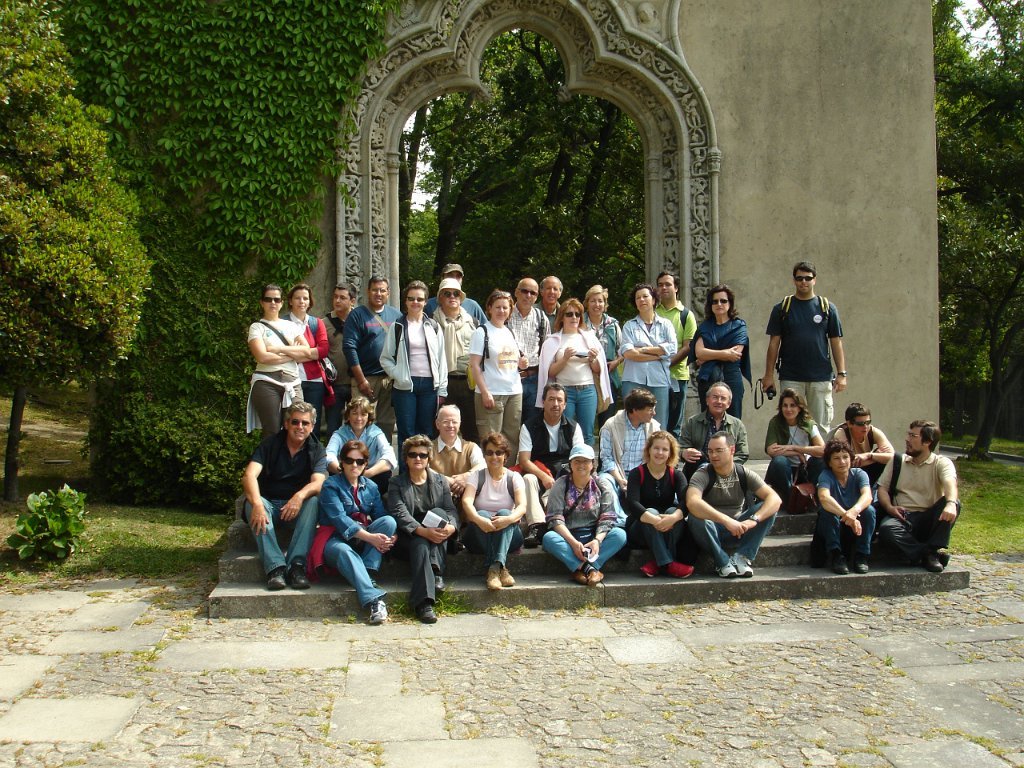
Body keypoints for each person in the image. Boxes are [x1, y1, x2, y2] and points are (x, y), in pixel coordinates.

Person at [240, 402, 325, 590]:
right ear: (286, 424)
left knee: (313, 501)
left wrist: (299, 496)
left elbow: (319, 482)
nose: (300, 427)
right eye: (295, 422)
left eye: (305, 423)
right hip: (269, 506)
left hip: (296, 510)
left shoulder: (317, 449)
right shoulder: (270, 444)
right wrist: (258, 504)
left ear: (312, 426)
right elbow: (249, 476)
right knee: (252, 503)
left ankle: (296, 566)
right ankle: (275, 568)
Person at [314, 439, 397, 624]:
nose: (354, 465)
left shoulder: (371, 487)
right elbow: (340, 520)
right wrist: (371, 538)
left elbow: (381, 516)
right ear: (341, 462)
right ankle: (374, 599)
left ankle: (366, 571)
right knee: (345, 551)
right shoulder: (330, 485)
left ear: (366, 464)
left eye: (359, 461)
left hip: (362, 537)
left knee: (389, 522)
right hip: (334, 538)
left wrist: (393, 536)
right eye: (349, 460)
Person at [762, 261, 847, 431]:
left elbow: (836, 342)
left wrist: (841, 374)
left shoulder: (827, 308)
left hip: (820, 377)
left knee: (821, 427)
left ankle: (819, 451)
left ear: (814, 279)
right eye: (799, 278)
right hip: (791, 377)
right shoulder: (782, 308)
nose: (803, 282)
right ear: (794, 280)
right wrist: (768, 375)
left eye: (808, 278)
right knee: (791, 425)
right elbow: (774, 343)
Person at [686, 432, 781, 578]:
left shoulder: (743, 473)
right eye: (710, 451)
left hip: (739, 529)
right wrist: (726, 521)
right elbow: (692, 502)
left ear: (732, 450)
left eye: (719, 450)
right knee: (695, 518)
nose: (713, 455)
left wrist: (753, 520)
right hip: (712, 529)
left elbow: (775, 499)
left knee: (769, 508)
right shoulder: (702, 474)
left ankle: (743, 557)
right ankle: (722, 562)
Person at [388, 435, 460, 624]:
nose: (418, 458)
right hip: (408, 536)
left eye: (422, 455)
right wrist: (422, 531)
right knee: (420, 542)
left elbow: (450, 510)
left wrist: (452, 527)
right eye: (413, 455)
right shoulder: (396, 483)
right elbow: (400, 514)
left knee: (439, 513)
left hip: (435, 532)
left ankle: (424, 598)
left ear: (429, 458)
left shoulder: (440, 480)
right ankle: (428, 594)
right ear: (406, 459)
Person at [876, 420, 960, 573]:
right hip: (903, 516)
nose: (907, 439)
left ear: (927, 442)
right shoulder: (897, 461)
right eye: (908, 434)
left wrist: (950, 504)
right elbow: (882, 489)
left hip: (929, 517)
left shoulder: (941, 462)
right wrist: (889, 507)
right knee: (887, 529)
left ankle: (928, 551)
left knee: (954, 503)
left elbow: (950, 483)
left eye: (913, 436)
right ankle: (929, 554)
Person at [541, 444, 627, 586]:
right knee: (549, 538)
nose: (581, 465)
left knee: (620, 535)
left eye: (586, 461)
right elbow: (555, 518)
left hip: (593, 535)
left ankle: (583, 568)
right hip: (569, 536)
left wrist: (597, 540)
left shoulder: (602, 484)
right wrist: (573, 543)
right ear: (570, 464)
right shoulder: (560, 484)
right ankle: (589, 569)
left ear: (592, 464)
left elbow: (608, 517)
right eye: (577, 461)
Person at [536, 298, 611, 447]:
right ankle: (565, 460)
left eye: (577, 314)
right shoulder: (552, 341)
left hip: (587, 390)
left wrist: (593, 359)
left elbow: (598, 370)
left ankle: (587, 460)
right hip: (564, 391)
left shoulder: (589, 338)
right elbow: (549, 372)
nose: (574, 317)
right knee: (565, 430)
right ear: (562, 317)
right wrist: (564, 358)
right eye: (569, 314)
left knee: (587, 433)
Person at [517, 383, 585, 547]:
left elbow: (580, 459)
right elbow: (524, 460)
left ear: (565, 404)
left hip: (565, 472)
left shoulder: (573, 427)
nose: (555, 404)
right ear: (543, 402)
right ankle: (536, 526)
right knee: (527, 479)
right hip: (539, 472)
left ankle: (568, 524)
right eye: (551, 399)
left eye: (559, 400)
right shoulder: (529, 426)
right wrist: (543, 476)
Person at [381, 280, 448, 447]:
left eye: (419, 299)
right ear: (405, 301)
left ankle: (425, 465)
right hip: (405, 387)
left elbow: (442, 360)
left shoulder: (434, 326)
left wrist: (442, 389)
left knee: (426, 432)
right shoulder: (397, 326)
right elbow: (385, 358)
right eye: (411, 298)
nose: (415, 302)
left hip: (429, 386)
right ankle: (405, 465)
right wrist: (398, 374)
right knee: (406, 433)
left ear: (426, 302)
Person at [461, 432, 527, 590]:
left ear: (506, 455)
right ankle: (500, 569)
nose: (494, 457)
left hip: (508, 535)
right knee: (482, 514)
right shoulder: (476, 476)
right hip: (478, 535)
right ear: (484, 456)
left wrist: (508, 520)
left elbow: (522, 506)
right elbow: (466, 501)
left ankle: (494, 569)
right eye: (489, 452)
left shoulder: (514, 477)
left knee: (505, 513)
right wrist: (479, 520)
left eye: (499, 452)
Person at [246, 283, 314, 434]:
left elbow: (306, 351)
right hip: (266, 381)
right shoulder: (257, 327)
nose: (273, 303)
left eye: (276, 300)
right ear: (262, 302)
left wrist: (279, 350)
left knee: (298, 428)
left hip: (293, 382)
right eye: (268, 299)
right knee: (272, 431)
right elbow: (262, 357)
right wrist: (292, 354)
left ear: (282, 303)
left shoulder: (291, 326)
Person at [625, 431, 694, 579]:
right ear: (649, 449)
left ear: (670, 453)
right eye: (656, 448)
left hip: (668, 527)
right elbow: (633, 503)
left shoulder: (677, 475)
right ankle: (668, 564)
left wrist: (673, 518)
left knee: (673, 510)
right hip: (641, 528)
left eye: (665, 449)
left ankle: (658, 562)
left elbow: (686, 502)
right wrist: (655, 520)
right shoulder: (636, 473)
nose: (660, 453)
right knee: (651, 511)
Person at [469, 289, 528, 458]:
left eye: (505, 307)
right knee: (491, 440)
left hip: (514, 391)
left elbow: (511, 361)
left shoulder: (509, 332)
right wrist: (485, 392)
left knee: (511, 439)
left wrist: (521, 363)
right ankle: (490, 473)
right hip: (492, 392)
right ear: (489, 308)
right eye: (498, 307)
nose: (502, 311)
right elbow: (474, 365)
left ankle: (508, 472)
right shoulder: (482, 332)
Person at [343, 276, 401, 441]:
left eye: (382, 290)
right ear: (368, 292)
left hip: (389, 379)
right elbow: (349, 348)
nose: (378, 293)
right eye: (375, 290)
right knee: (359, 420)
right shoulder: (356, 315)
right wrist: (361, 380)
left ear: (388, 293)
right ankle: (358, 455)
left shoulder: (396, 315)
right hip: (364, 378)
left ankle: (383, 455)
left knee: (387, 422)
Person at [620, 282, 677, 428]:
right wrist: (658, 354)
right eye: (638, 298)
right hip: (633, 379)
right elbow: (629, 353)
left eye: (645, 296)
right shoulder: (629, 326)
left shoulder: (666, 324)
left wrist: (643, 349)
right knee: (631, 422)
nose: (641, 300)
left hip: (659, 380)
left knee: (659, 424)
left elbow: (672, 348)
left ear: (653, 300)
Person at [598, 387, 661, 516]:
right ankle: (618, 519)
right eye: (650, 410)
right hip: (616, 473)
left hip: (642, 473)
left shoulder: (654, 426)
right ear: (635, 410)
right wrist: (620, 479)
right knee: (604, 481)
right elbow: (606, 458)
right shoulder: (610, 425)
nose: (654, 413)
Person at [816, 439, 875, 575]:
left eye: (845, 457)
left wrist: (854, 511)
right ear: (829, 462)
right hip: (835, 523)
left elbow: (867, 496)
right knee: (826, 512)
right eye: (836, 458)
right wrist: (846, 515)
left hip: (855, 524)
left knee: (869, 511)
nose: (842, 462)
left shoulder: (859, 474)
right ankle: (836, 556)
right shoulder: (826, 475)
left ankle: (862, 555)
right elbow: (824, 497)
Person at [283, 282, 334, 438]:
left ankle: (311, 453)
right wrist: (311, 352)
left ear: (310, 301)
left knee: (312, 425)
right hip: (289, 380)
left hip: (314, 381)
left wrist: (296, 353)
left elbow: (323, 350)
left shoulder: (316, 323)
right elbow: (281, 352)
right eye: (297, 298)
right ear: (290, 301)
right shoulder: (282, 323)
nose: (302, 301)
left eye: (305, 298)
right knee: (291, 423)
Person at [692, 283, 750, 418]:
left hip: (732, 377)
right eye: (715, 301)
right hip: (708, 378)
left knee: (733, 422)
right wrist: (725, 353)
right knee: (708, 421)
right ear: (710, 305)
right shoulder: (704, 327)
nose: (719, 304)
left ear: (730, 303)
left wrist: (709, 355)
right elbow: (699, 353)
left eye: (723, 301)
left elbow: (735, 354)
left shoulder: (739, 326)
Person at [433, 277, 479, 442]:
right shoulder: (431, 323)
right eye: (447, 293)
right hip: (443, 383)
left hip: (468, 382)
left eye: (456, 294)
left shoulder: (473, 322)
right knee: (441, 428)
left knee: (471, 429)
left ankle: (472, 457)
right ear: (440, 297)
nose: (452, 297)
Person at [763, 388, 825, 511]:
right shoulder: (776, 422)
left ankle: (816, 499)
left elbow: (822, 450)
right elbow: (771, 450)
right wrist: (797, 453)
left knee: (820, 461)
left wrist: (795, 448)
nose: (788, 409)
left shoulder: (808, 423)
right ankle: (789, 500)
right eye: (785, 406)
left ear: (799, 408)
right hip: (785, 470)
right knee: (779, 461)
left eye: (792, 405)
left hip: (804, 468)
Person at [655, 271, 697, 439]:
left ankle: (673, 455)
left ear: (676, 288)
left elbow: (688, 347)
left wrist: (666, 364)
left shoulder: (686, 315)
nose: (663, 288)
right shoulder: (652, 312)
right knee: (655, 422)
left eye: (668, 284)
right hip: (654, 376)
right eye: (660, 285)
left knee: (674, 424)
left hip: (676, 376)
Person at [325, 397, 397, 494]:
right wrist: (345, 472)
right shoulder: (339, 434)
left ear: (368, 417)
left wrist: (367, 473)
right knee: (332, 474)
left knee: (385, 474)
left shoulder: (376, 433)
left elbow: (390, 456)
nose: (359, 418)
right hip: (345, 474)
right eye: (354, 413)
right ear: (348, 416)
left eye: (363, 414)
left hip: (369, 475)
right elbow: (328, 456)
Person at [679, 382, 750, 479]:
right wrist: (683, 453)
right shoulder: (693, 422)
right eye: (715, 397)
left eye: (723, 398)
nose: (719, 401)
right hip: (698, 470)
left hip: (726, 471)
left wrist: (724, 465)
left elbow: (742, 453)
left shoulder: (737, 425)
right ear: (707, 400)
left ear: (729, 403)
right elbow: (680, 447)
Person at [507, 277, 551, 426]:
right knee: (511, 426)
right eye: (524, 291)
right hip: (509, 378)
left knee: (531, 425)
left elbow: (547, 350)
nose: (528, 295)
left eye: (533, 293)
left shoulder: (541, 318)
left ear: (537, 296)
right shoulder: (505, 314)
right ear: (516, 292)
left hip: (534, 380)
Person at [826, 403, 894, 488]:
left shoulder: (873, 432)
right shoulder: (841, 434)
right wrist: (877, 457)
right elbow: (847, 462)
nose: (865, 426)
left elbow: (893, 458)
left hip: (866, 470)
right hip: (847, 475)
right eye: (860, 424)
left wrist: (869, 455)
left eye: (868, 422)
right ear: (849, 424)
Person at [583, 284, 623, 428]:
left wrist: (616, 362)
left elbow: (622, 350)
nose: (597, 304)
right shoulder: (579, 323)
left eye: (600, 301)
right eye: (593, 301)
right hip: (584, 376)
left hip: (608, 376)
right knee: (585, 422)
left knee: (607, 422)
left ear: (605, 304)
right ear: (587, 303)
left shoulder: (613, 324)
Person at [429, 404, 486, 503]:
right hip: (435, 502)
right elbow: (422, 470)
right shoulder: (428, 449)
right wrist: (445, 480)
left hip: (467, 502)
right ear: (437, 424)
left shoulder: (471, 447)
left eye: (454, 422)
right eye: (446, 422)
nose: (450, 425)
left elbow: (482, 467)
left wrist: (466, 477)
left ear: (459, 424)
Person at [324, 283, 356, 436]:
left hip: (356, 384)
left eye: (342, 298)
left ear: (352, 301)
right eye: (335, 297)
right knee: (333, 427)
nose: (337, 301)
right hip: (334, 385)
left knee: (357, 426)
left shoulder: (360, 320)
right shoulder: (324, 323)